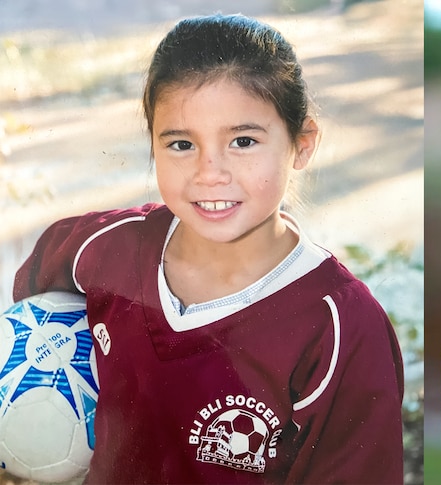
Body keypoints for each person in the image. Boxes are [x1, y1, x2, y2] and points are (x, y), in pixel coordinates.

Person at [13, 14, 404, 484]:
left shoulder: (338, 326)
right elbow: (25, 326)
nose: (209, 172)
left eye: (243, 141)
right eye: (181, 144)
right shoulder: (100, 248)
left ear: (301, 144)